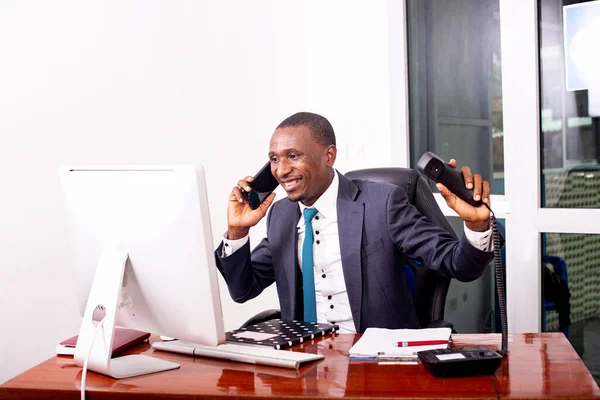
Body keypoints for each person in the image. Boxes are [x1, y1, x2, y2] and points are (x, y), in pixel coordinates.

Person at [215, 111, 494, 333]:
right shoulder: (280, 216)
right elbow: (242, 291)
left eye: (293, 156)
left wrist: (477, 225)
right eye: (274, 159)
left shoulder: (382, 204)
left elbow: (458, 265)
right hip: (306, 364)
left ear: (329, 155)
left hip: (375, 363)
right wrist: (238, 230)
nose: (281, 170)